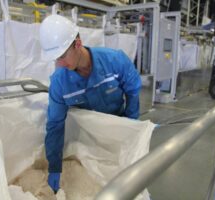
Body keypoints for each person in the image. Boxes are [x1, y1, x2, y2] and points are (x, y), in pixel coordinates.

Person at [39, 14, 141, 193]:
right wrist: (54, 166)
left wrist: (130, 127)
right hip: (88, 139)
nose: (59, 64)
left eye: (62, 56)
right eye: (56, 59)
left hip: (117, 130)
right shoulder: (59, 82)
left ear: (77, 44)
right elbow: (55, 125)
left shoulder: (114, 61)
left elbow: (132, 91)